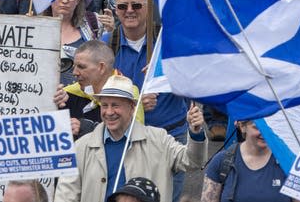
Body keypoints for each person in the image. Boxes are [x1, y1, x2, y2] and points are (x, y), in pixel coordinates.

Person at [54, 75, 207, 202]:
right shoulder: (82, 146)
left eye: (115, 105)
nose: (109, 112)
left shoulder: (158, 139)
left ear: (132, 107)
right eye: (104, 105)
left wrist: (196, 132)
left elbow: (192, 161)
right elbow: (66, 194)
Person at [103, 0, 188, 202]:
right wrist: (137, 102)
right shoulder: (106, 45)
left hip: (169, 137)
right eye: (122, 6)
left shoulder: (169, 42)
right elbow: (97, 95)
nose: (129, 11)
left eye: (136, 5)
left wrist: (167, 71)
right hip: (124, 139)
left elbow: (196, 85)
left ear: (149, 7)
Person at [53, 40, 146, 139]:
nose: (75, 73)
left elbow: (133, 135)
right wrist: (55, 106)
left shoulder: (129, 92)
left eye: (81, 67)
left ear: (101, 67)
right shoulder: (68, 94)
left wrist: (88, 128)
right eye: (74, 67)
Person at [201, 120, 296, 202]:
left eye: (269, 127)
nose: (265, 132)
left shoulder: (290, 162)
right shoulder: (221, 161)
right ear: (242, 126)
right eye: (257, 127)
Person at [44, 0, 104, 85]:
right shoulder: (36, 28)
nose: (65, 0)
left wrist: (110, 31)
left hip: (83, 98)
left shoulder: (94, 24)